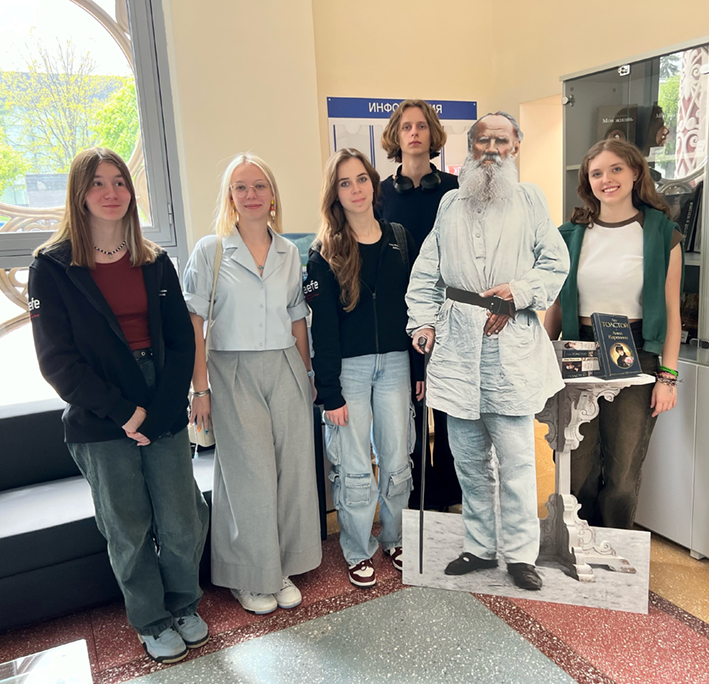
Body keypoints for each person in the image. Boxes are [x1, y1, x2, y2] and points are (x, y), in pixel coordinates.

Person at [28, 148, 209, 664]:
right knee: (127, 528)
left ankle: (184, 604)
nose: (111, 192)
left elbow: (180, 341)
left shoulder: (154, 260)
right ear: (79, 194)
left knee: (182, 519)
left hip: (162, 398)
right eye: (97, 183)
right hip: (100, 409)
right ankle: (151, 619)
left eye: (120, 182)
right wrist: (124, 413)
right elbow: (57, 361)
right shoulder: (52, 268)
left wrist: (164, 407)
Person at [406, 112, 570, 591]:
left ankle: (520, 555)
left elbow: (555, 263)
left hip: (509, 345)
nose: (492, 149)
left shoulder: (530, 199)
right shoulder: (450, 203)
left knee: (517, 462)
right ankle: (479, 547)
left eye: (502, 140)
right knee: (469, 461)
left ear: (516, 146)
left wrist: (516, 294)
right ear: (471, 147)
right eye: (483, 140)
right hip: (457, 347)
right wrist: (423, 322)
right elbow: (426, 273)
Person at [183, 153, 322, 616]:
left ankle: (280, 566)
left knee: (292, 470)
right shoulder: (211, 250)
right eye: (241, 187)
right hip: (232, 368)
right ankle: (249, 574)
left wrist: (306, 374)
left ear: (272, 194)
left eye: (259, 185)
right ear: (230, 196)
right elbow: (194, 322)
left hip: (285, 365)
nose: (251, 195)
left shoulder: (289, 251)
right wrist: (200, 389)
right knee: (248, 476)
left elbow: (297, 318)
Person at [544, 138, 682, 529]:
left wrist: (668, 378)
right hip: (578, 351)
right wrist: (540, 360)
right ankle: (575, 543)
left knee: (623, 472)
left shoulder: (662, 234)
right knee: (576, 466)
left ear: (636, 172)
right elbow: (557, 306)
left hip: (636, 353)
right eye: (597, 173)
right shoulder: (570, 234)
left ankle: (614, 546)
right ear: (587, 182)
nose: (607, 179)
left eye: (616, 169)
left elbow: (673, 312)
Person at [305, 148, 417, 588]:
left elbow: (415, 311)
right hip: (347, 371)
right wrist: (329, 392)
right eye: (345, 183)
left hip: (396, 364)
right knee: (353, 465)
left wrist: (419, 369)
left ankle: (395, 538)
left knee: (397, 458)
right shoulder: (324, 253)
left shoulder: (400, 238)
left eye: (362, 179)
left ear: (374, 182)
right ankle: (357, 548)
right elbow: (322, 330)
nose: (356, 189)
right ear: (334, 194)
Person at [379, 98, 462, 512]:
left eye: (421, 126)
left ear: (433, 134)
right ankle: (414, 497)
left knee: (448, 409)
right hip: (398, 316)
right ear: (396, 136)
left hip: (448, 313)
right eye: (406, 126)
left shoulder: (455, 189)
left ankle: (449, 495)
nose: (414, 133)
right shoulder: (379, 195)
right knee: (409, 411)